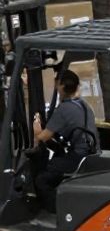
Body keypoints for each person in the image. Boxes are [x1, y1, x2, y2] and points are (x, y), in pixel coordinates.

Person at [30, 69, 98, 213]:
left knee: (42, 179)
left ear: (61, 86)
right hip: (91, 153)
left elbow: (42, 137)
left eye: (57, 83)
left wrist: (36, 127)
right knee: (58, 158)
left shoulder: (64, 109)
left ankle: (55, 212)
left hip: (79, 157)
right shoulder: (84, 105)